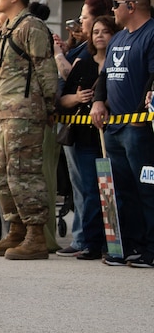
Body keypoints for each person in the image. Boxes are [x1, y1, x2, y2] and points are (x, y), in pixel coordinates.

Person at [0, 0, 59, 260]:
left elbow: (46, 69)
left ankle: (35, 235)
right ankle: (16, 229)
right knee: (4, 174)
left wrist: (50, 106)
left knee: (24, 173)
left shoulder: (31, 26)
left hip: (25, 113)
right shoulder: (9, 28)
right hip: (5, 112)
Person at [94, 0, 154, 266]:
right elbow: (104, 76)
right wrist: (98, 101)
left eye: (116, 5)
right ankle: (129, 245)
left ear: (131, 6)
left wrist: (142, 117)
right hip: (115, 129)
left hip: (139, 129)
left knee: (147, 190)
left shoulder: (152, 34)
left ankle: (151, 249)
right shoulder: (118, 38)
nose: (112, 10)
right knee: (123, 191)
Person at [59, 15, 110, 258]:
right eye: (96, 31)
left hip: (114, 135)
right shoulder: (83, 64)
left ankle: (114, 240)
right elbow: (62, 100)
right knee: (90, 190)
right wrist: (78, 99)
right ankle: (90, 241)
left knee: (114, 190)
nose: (99, 35)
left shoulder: (119, 62)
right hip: (86, 139)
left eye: (106, 31)